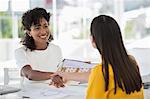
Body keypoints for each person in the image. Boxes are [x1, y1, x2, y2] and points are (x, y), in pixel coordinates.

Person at [52, 15, 144, 99]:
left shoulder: (100, 73)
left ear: (93, 40)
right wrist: (65, 74)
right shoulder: (131, 62)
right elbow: (93, 75)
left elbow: (98, 76)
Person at [15, 7, 64, 87]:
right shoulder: (21, 52)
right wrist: (53, 75)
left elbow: (62, 73)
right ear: (29, 32)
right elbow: (30, 74)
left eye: (45, 26)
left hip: (54, 92)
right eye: (37, 28)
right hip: (31, 94)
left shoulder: (56, 49)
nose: (43, 31)